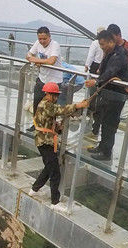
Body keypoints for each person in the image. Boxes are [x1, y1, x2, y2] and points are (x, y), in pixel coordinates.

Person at [29, 81, 88, 211]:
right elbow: (60, 110)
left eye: (56, 95)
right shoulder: (46, 105)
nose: (56, 97)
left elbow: (50, 119)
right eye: (54, 95)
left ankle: (34, 189)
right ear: (48, 94)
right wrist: (78, 105)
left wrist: (58, 127)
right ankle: (55, 202)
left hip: (45, 141)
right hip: (45, 142)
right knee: (55, 173)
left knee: (49, 168)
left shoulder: (46, 104)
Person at [83, 29, 128, 161]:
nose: (102, 47)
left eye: (103, 44)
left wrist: (97, 81)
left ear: (111, 42)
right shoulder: (110, 53)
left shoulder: (119, 54)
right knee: (104, 120)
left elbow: (111, 72)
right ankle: (102, 146)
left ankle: (106, 152)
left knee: (110, 123)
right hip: (107, 93)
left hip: (116, 95)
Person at [26, 26, 61, 113]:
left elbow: (51, 61)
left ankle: (48, 122)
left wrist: (37, 61)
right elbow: (28, 55)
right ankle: (35, 121)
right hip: (42, 78)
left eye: (44, 39)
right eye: (40, 39)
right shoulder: (37, 43)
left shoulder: (55, 45)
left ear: (49, 36)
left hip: (54, 80)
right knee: (37, 103)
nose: (42, 41)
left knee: (49, 108)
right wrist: (38, 61)